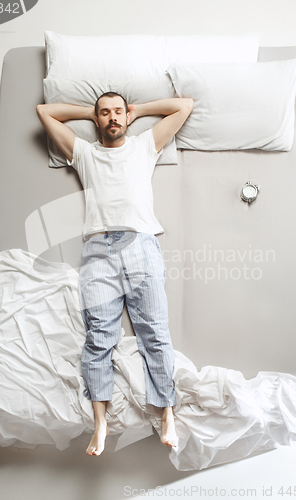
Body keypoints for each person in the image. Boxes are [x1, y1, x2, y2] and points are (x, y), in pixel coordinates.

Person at [36, 93, 193, 456]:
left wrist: (139, 110)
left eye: (118, 112)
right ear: (98, 118)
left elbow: (183, 106)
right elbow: (45, 111)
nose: (112, 118)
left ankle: (166, 411)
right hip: (98, 249)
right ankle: (100, 424)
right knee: (99, 338)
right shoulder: (85, 153)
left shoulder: (144, 145)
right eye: (105, 113)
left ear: (127, 116)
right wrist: (89, 113)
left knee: (153, 330)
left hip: (140, 242)